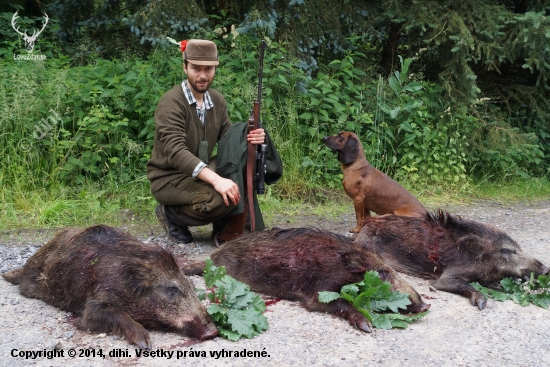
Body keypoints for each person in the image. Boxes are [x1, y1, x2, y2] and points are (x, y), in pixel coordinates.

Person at [146, 39, 266, 244]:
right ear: (185, 67)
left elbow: (229, 140)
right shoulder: (171, 102)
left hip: (199, 173)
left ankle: (230, 229)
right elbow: (175, 152)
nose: (202, 76)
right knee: (219, 199)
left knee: (244, 161)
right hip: (169, 179)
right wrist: (217, 180)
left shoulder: (217, 100)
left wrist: (251, 137)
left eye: (208, 69)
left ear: (215, 68)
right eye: (196, 68)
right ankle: (171, 215)